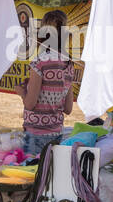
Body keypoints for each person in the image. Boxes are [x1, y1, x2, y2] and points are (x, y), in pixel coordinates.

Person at [20, 9, 75, 155]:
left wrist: (21, 92)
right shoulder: (69, 64)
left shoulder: (40, 63)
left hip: (35, 133)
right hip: (56, 132)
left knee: (31, 174)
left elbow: (30, 104)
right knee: (48, 174)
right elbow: (68, 108)